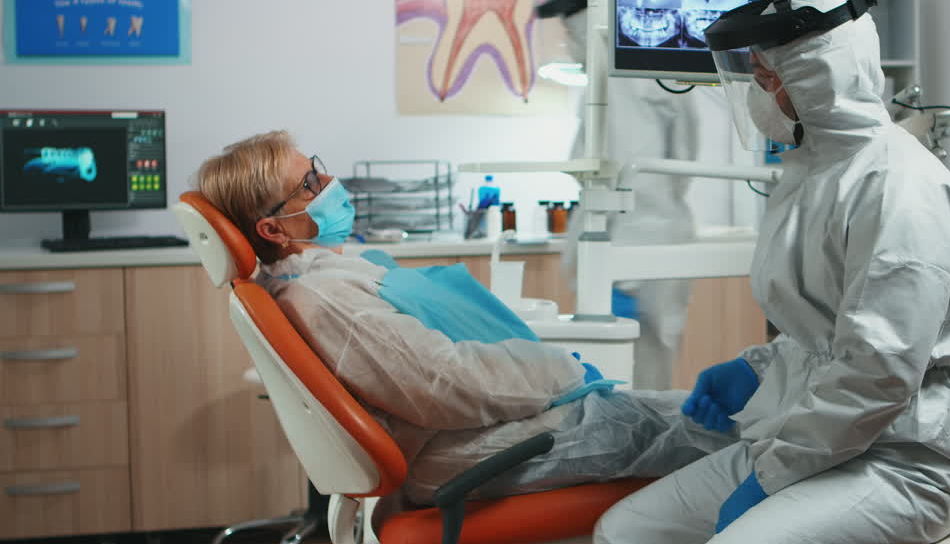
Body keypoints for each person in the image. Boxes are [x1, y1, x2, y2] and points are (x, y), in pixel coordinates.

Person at [592, 0, 950, 544]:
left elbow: (878, 372)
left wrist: (770, 478)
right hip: (813, 441)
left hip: (903, 461)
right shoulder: (814, 172)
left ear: (814, 78)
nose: (757, 93)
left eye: (764, 77)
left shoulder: (900, 189)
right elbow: (824, 334)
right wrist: (755, 369)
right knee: (627, 538)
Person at [195, 131, 735, 506]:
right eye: (309, 184)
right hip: (475, 453)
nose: (329, 181)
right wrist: (562, 370)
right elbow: (448, 384)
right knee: (720, 435)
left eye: (316, 166)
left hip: (482, 435)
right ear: (273, 230)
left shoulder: (325, 278)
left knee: (692, 416)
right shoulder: (326, 298)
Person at [537, 0, 701, 391]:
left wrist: (617, 272)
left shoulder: (621, 81)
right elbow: (682, 156)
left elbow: (618, 172)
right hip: (646, 236)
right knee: (645, 363)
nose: (570, 47)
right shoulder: (639, 76)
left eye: (572, 35)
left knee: (638, 370)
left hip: (636, 241)